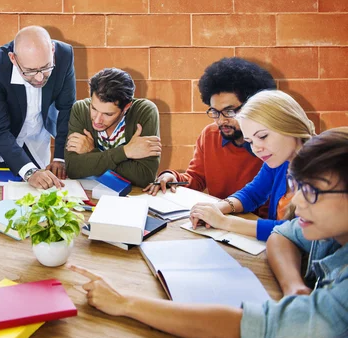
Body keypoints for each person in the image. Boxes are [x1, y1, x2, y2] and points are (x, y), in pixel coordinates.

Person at [69, 127, 348, 338]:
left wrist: (124, 302)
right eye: (296, 186)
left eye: (312, 192)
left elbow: (252, 328)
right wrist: (293, 287)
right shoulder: (326, 226)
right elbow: (284, 234)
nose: (297, 202)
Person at [189, 90, 316, 241]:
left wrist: (225, 222)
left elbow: (298, 231)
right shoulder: (281, 158)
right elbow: (253, 193)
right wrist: (219, 207)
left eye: (262, 136)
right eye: (250, 141)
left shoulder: (323, 169)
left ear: (290, 125)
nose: (256, 149)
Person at [145, 57, 275, 199]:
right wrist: (172, 177)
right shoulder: (210, 135)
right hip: (220, 216)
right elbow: (196, 178)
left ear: (253, 106)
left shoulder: (270, 142)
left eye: (229, 111)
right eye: (214, 112)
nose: (221, 120)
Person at [0, 26, 76, 190]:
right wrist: (29, 172)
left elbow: (66, 109)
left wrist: (61, 157)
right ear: (13, 58)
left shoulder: (65, 55)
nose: (40, 78)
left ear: (52, 50)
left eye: (46, 67)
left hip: (36, 136)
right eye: (30, 71)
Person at [64, 68, 161, 187]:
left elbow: (144, 177)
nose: (97, 120)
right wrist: (125, 152)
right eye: (94, 108)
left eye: (108, 114)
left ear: (126, 107)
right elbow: (73, 169)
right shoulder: (80, 109)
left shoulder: (144, 111)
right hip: (91, 192)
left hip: (133, 197)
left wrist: (92, 153)